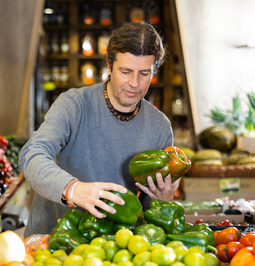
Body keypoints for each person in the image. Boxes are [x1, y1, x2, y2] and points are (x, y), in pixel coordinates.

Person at [19, 21, 181, 237]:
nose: (134, 83)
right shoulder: (73, 104)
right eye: (126, 71)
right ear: (109, 65)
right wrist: (73, 189)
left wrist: (163, 199)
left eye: (144, 73)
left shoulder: (159, 127)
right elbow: (32, 155)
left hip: (115, 253)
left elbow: (148, 209)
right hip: (53, 242)